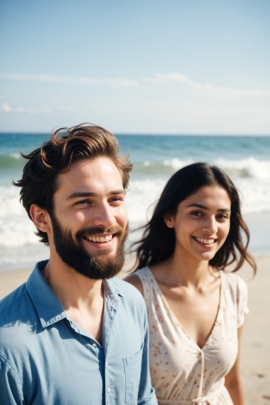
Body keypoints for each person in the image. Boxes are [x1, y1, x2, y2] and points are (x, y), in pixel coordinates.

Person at [0, 123, 157, 405]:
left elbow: (144, 397)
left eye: (115, 199)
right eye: (84, 202)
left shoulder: (132, 303)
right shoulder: (8, 345)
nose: (107, 219)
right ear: (41, 217)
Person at [126, 162, 256, 405]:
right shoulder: (136, 293)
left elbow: (232, 381)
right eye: (197, 213)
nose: (211, 228)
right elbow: (124, 391)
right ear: (169, 217)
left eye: (222, 216)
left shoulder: (234, 290)